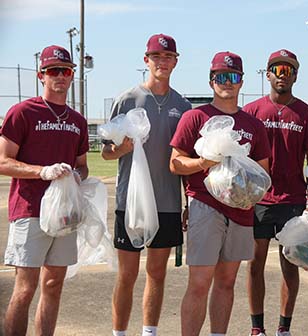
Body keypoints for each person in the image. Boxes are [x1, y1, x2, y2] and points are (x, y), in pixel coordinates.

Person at [169, 51, 271, 336]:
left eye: (233, 77)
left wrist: (244, 185)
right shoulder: (195, 117)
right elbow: (175, 163)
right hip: (205, 206)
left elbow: (263, 173)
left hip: (241, 210)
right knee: (200, 282)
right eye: (221, 77)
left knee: (227, 282)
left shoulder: (253, 125)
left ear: (241, 82)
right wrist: (204, 162)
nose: (228, 82)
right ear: (212, 81)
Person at [101, 34, 192, 336]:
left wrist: (188, 204)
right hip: (131, 202)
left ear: (176, 61)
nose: (162, 62)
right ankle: (119, 333)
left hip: (167, 202)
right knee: (127, 275)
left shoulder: (183, 105)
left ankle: (149, 333)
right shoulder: (127, 100)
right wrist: (121, 149)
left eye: (168, 57)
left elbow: (186, 158)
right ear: (146, 60)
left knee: (157, 274)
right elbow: (105, 150)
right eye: (157, 57)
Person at [0, 45, 89, 336]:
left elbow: (83, 165)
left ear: (72, 75)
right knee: (25, 289)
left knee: (53, 285)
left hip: (65, 215)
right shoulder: (23, 112)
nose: (60, 76)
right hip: (29, 211)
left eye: (65, 71)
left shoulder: (77, 121)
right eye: (53, 71)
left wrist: (76, 175)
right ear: (42, 75)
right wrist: (41, 171)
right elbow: (3, 161)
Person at [242, 49, 308, 336]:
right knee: (255, 264)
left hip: (292, 200)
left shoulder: (307, 114)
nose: (283, 75)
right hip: (258, 199)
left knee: (291, 265)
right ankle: (257, 328)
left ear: (296, 75)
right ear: (268, 75)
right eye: (278, 69)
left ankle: (283, 328)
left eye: (288, 70)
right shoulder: (252, 111)